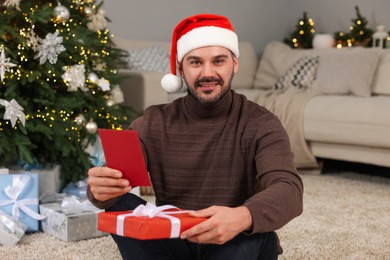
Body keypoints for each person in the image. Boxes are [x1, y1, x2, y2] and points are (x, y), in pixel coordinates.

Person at [87, 14, 303, 260]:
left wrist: (242, 216)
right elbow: (112, 185)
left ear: (234, 64)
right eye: (195, 62)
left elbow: (289, 189)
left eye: (218, 61)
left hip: (234, 238)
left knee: (258, 232)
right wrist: (100, 189)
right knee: (120, 205)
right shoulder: (153, 122)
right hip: (174, 239)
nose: (207, 73)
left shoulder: (261, 123)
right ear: (181, 69)